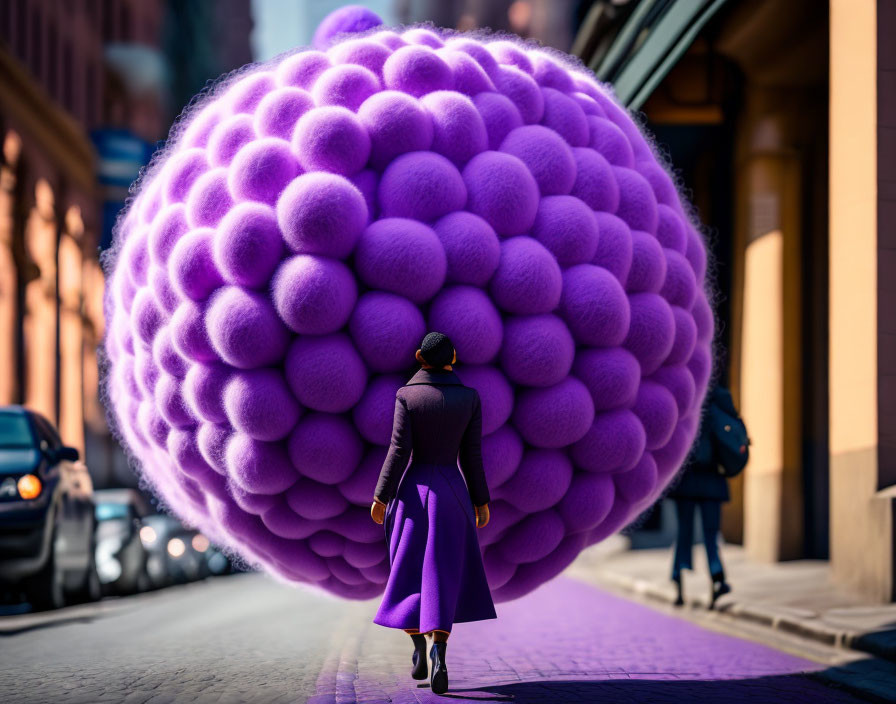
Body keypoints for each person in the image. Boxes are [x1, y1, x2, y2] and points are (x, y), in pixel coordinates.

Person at [370, 331, 496, 695]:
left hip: (412, 494)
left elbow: (398, 450)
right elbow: (472, 455)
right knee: (442, 575)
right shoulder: (470, 398)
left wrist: (381, 496)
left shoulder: (406, 396)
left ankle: (418, 650)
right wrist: (480, 500)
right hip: (453, 494)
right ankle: (440, 651)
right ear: (452, 358)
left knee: (407, 571)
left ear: (419, 358)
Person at [668, 383, 737, 609]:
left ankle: (679, 583)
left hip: (686, 481)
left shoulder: (685, 396)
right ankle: (717, 578)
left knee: (684, 532)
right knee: (711, 535)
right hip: (713, 480)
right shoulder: (720, 397)